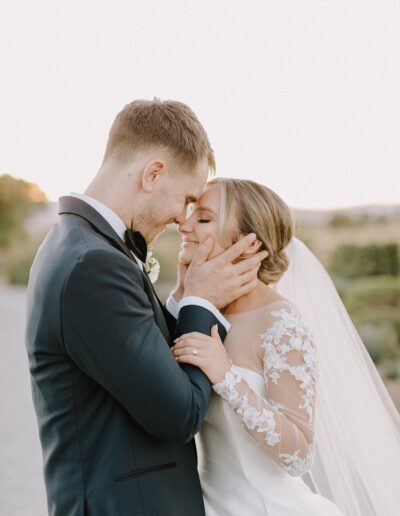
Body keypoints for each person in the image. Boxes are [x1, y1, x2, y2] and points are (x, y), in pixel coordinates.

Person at [25, 100, 266, 516]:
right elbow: (179, 414)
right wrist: (202, 302)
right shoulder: (93, 264)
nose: (182, 218)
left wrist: (183, 295)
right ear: (153, 174)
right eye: (186, 198)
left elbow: (137, 352)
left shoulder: (79, 242)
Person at [172, 177, 400, 515]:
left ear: (249, 243)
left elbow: (299, 454)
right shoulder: (197, 311)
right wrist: (182, 292)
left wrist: (227, 377)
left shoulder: (279, 323)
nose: (184, 225)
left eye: (203, 218)